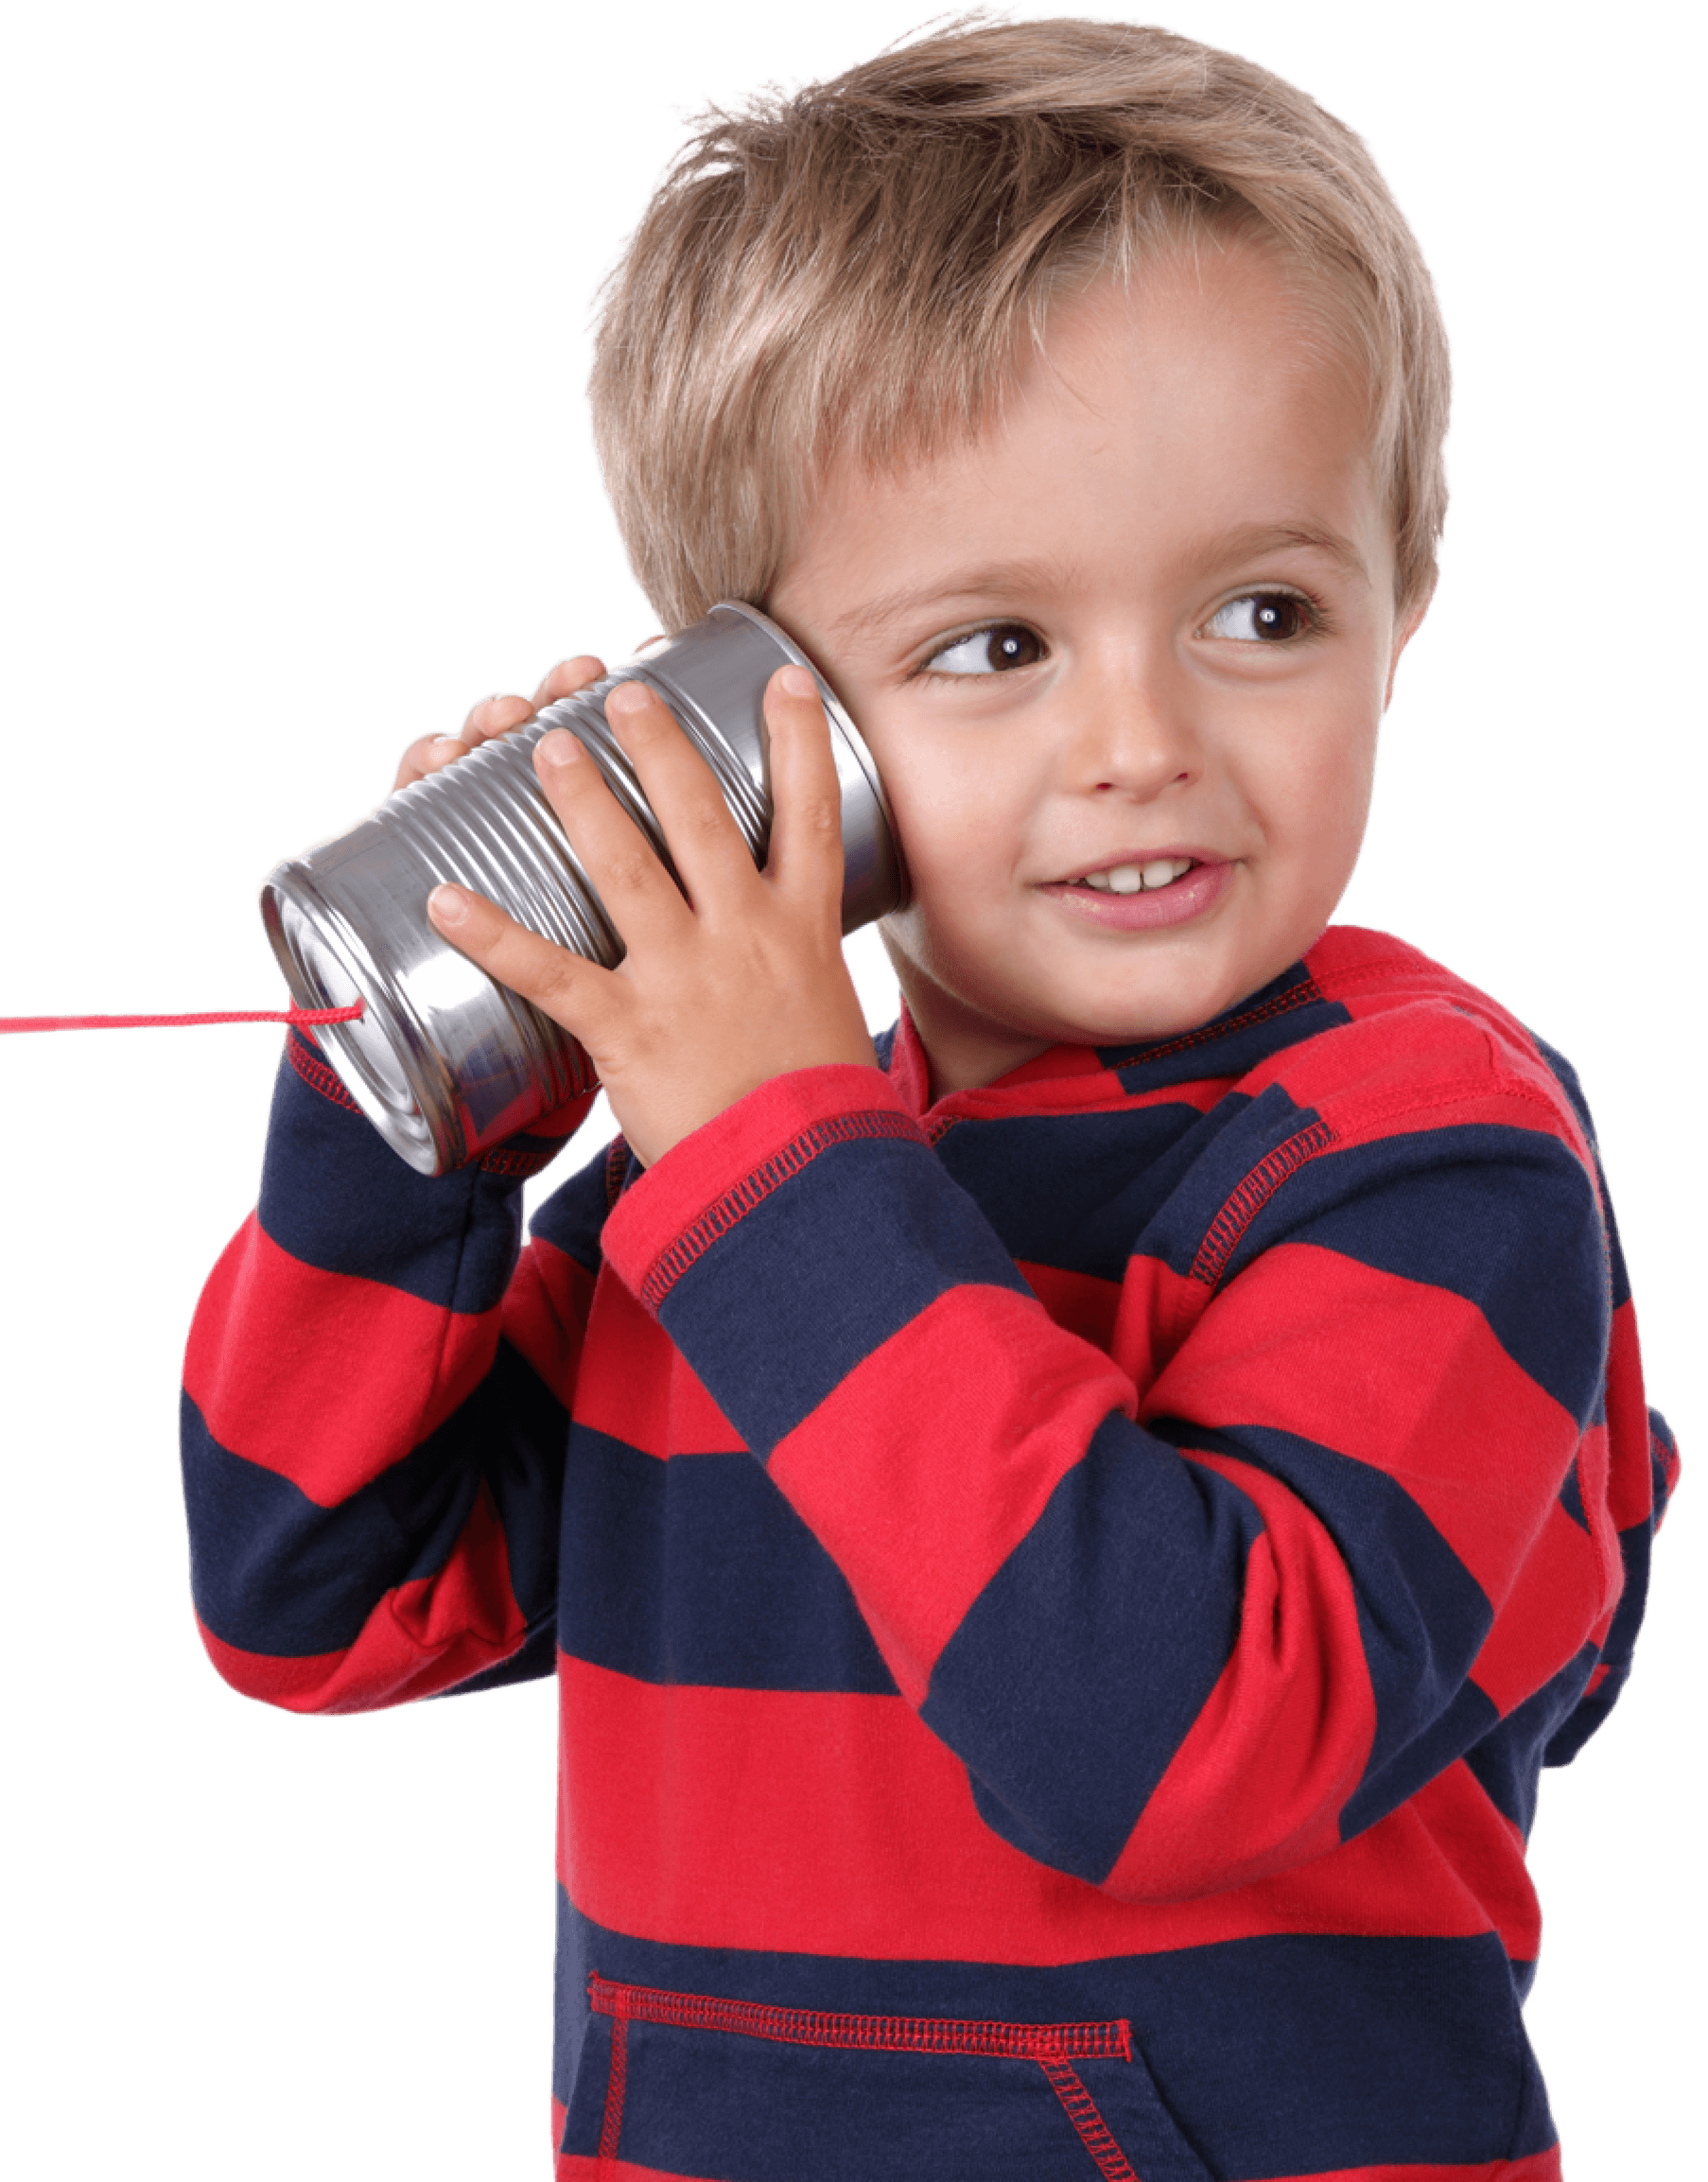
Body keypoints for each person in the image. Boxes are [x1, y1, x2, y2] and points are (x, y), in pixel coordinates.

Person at [177, 9, 1679, 2176]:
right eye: (998, 646)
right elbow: (307, 1598)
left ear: (1403, 598)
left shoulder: (1422, 1153)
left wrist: (770, 1154)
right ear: (761, 708)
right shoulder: (726, 1191)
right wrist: (419, 1130)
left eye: (1264, 607)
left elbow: (1161, 1743)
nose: (1142, 740)